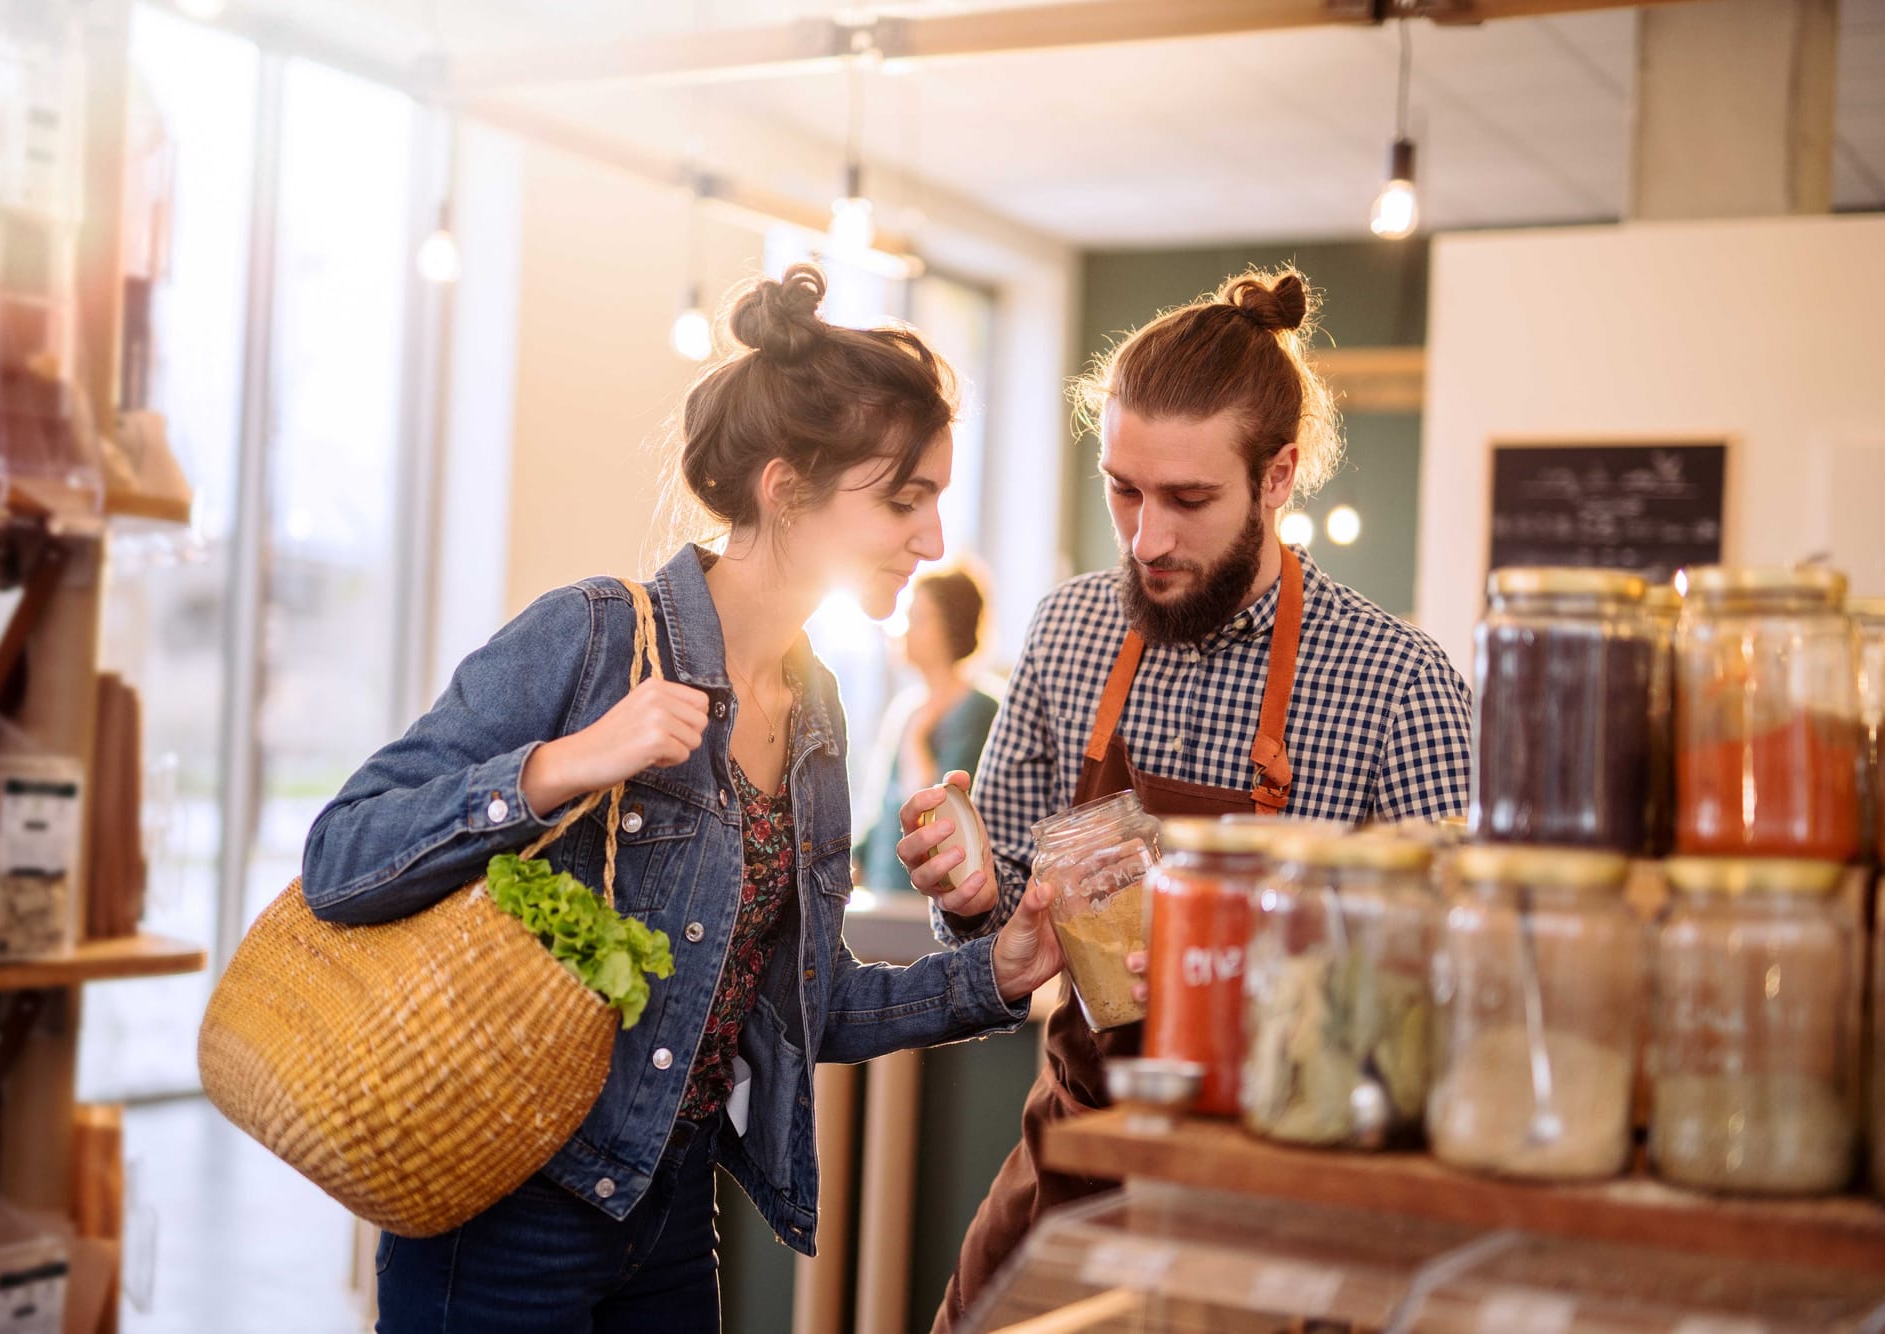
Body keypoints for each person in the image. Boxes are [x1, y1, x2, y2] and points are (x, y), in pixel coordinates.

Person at [300, 263, 1068, 1333]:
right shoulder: (591, 636)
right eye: (905, 497)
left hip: (666, 1216)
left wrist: (995, 970)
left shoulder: (817, 712)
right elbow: (340, 855)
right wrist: (559, 765)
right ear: (784, 487)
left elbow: (812, 1005)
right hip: (503, 1219)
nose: (933, 537)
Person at [894, 269, 1475, 1333]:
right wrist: (976, 891)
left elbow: (1452, 983)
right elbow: (1010, 910)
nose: (1145, 538)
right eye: (1123, 488)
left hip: (1286, 1198)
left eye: (1188, 499)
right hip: (1082, 1158)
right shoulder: (1071, 632)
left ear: (1277, 475)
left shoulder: (1397, 681)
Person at [855, 567, 1002, 890]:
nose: (904, 630)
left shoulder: (979, 711)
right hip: (885, 896)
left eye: (919, 618)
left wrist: (917, 738)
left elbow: (931, 812)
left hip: (929, 901)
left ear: (951, 627)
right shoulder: (907, 709)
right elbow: (884, 813)